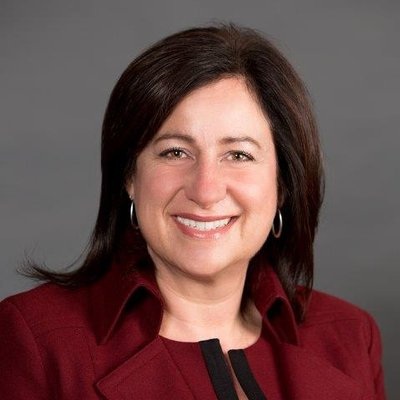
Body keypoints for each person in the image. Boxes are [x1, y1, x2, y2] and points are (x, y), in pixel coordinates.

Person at [0, 24, 385, 399]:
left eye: (238, 155)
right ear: (130, 176)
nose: (206, 190)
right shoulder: (35, 340)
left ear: (283, 184)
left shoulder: (351, 336)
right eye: (175, 152)